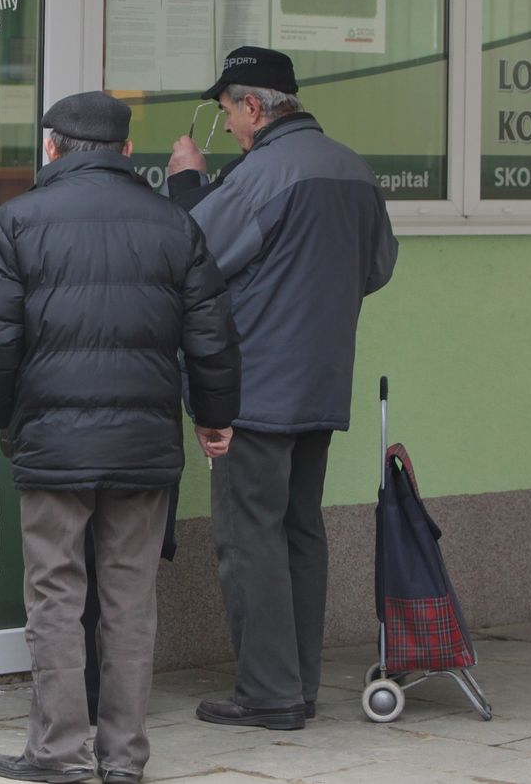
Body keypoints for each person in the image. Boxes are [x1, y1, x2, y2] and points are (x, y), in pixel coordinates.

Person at [0, 91, 241, 784]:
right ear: (126, 151)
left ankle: (58, 753)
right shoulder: (173, 225)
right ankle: (124, 758)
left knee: (55, 596)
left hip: (53, 445)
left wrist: (12, 419)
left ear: (52, 148)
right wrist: (213, 416)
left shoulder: (15, 223)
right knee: (129, 599)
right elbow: (211, 338)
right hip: (144, 449)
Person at [166, 46, 398, 731]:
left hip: (254, 388)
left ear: (255, 106)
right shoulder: (351, 168)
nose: (229, 127)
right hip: (321, 381)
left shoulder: (266, 173)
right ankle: (297, 685)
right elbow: (378, 267)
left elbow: (193, 254)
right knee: (301, 530)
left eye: (229, 113)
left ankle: (268, 692)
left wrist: (186, 185)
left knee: (248, 537)